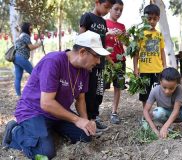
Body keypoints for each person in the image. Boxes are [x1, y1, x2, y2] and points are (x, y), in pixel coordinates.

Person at [1, 31, 111, 159]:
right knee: (45, 153)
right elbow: (46, 103)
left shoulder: (85, 70)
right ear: (82, 52)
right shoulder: (53, 61)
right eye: (97, 56)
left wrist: (85, 121)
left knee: (85, 136)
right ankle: (15, 131)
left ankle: (45, 132)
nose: (98, 61)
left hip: (58, 113)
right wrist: (77, 120)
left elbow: (80, 100)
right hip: (34, 111)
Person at [79, 0, 116, 134]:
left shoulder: (103, 22)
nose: (107, 11)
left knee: (99, 92)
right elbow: (80, 39)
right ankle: (87, 119)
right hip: (88, 63)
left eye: (109, 8)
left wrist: (109, 60)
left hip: (100, 63)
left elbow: (103, 44)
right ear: (97, 2)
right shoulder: (87, 17)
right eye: (106, 7)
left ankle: (94, 118)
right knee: (88, 92)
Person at [143, 67, 182, 140]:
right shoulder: (155, 91)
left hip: (179, 113)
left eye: (171, 88)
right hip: (165, 115)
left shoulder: (179, 89)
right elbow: (145, 110)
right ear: (160, 82)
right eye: (164, 87)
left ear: (177, 84)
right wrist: (154, 129)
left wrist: (164, 127)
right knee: (157, 112)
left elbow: (176, 110)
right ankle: (167, 128)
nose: (167, 91)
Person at [133, 4, 166, 108]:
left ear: (158, 19)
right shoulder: (140, 34)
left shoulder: (159, 35)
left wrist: (164, 66)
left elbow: (162, 51)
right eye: (149, 18)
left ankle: (159, 114)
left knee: (159, 93)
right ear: (144, 18)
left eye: (154, 19)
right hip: (144, 70)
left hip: (157, 70)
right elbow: (136, 53)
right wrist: (135, 68)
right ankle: (145, 114)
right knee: (145, 94)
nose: (152, 21)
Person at [105, 0, 126, 124]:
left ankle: (114, 112)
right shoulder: (104, 22)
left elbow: (126, 44)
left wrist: (125, 37)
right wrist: (109, 32)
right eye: (116, 9)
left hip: (120, 60)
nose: (118, 12)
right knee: (102, 87)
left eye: (121, 10)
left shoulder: (122, 26)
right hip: (107, 60)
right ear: (110, 8)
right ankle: (95, 112)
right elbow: (98, 38)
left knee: (118, 87)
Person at [13, 22, 42, 96]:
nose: (31, 29)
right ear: (27, 28)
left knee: (18, 77)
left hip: (16, 58)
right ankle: (39, 91)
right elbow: (31, 47)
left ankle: (19, 96)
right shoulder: (25, 35)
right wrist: (39, 44)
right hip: (21, 58)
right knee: (35, 73)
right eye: (30, 28)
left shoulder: (21, 35)